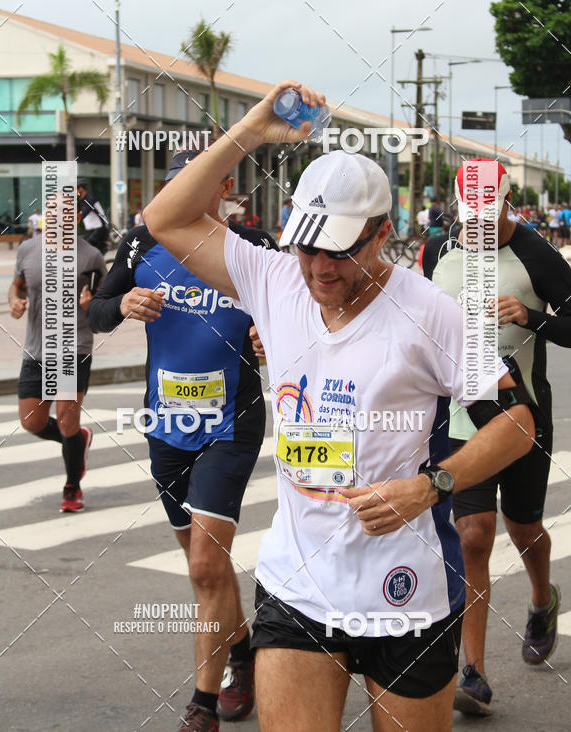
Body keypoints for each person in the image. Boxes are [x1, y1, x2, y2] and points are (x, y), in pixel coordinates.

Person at [141, 80, 536, 732]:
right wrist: (253, 130)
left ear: (383, 233)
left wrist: (430, 487)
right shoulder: (272, 279)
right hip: (298, 585)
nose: (320, 267)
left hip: (405, 591)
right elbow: (166, 219)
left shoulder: (431, 312)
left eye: (342, 249)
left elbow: (518, 424)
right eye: (308, 245)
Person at [88, 150, 278, 732]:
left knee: (203, 565)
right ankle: (241, 652)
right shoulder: (141, 243)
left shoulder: (252, 244)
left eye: (197, 184)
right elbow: (96, 312)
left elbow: (301, 312)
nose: (185, 195)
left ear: (223, 186)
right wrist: (122, 303)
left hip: (231, 421)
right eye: (176, 186)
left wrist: (269, 335)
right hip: (167, 425)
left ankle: (202, 705)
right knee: (206, 568)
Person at [423, 161, 571, 716]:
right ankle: (474, 672)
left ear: (508, 204)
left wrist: (532, 317)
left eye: (488, 217)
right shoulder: (437, 250)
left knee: (525, 527)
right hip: (462, 424)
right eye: (470, 217)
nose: (478, 227)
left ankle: (542, 597)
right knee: (474, 535)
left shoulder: (537, 253)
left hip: (524, 417)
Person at [9, 195, 107, 512]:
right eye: (51, 211)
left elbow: (104, 301)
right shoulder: (27, 249)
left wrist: (91, 305)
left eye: (65, 212)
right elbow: (17, 285)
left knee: (66, 421)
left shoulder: (91, 256)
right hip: (36, 348)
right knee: (31, 421)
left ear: (76, 218)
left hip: (74, 346)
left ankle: (72, 488)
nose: (56, 217)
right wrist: (15, 301)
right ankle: (79, 438)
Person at [77, 179, 110, 255]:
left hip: (100, 227)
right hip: (91, 229)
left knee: (87, 245)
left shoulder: (90, 199)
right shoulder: (80, 201)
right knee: (83, 245)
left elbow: (84, 213)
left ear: (81, 189)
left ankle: (103, 249)